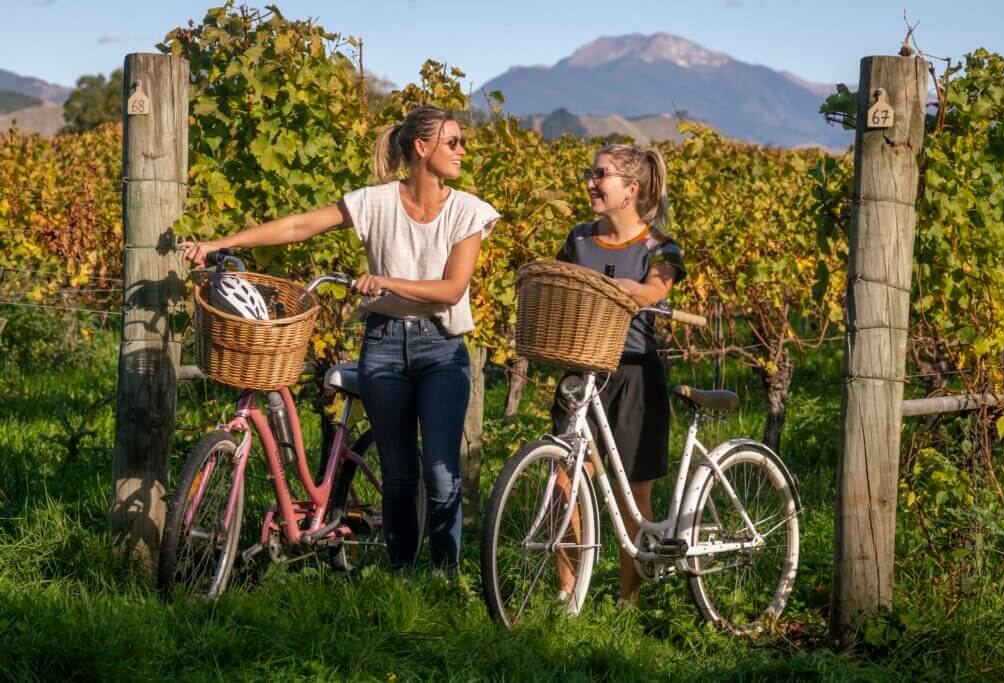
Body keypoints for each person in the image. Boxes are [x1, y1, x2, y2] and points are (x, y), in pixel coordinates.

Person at [180, 106, 500, 577]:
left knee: (439, 471)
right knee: (397, 473)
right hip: (385, 343)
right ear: (421, 148)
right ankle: (402, 576)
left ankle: (445, 574)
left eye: (461, 142)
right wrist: (221, 242)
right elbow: (299, 225)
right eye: (453, 142)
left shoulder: (467, 211)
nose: (461, 151)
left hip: (442, 347)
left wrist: (387, 282)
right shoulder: (375, 202)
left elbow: (452, 290)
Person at [551, 144, 685, 605]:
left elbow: (653, 291)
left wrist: (620, 288)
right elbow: (560, 284)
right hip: (582, 370)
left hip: (635, 376)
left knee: (634, 495)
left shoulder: (659, 247)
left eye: (600, 174)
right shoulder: (579, 239)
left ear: (630, 189)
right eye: (591, 173)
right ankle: (568, 594)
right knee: (564, 482)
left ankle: (630, 600)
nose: (590, 181)